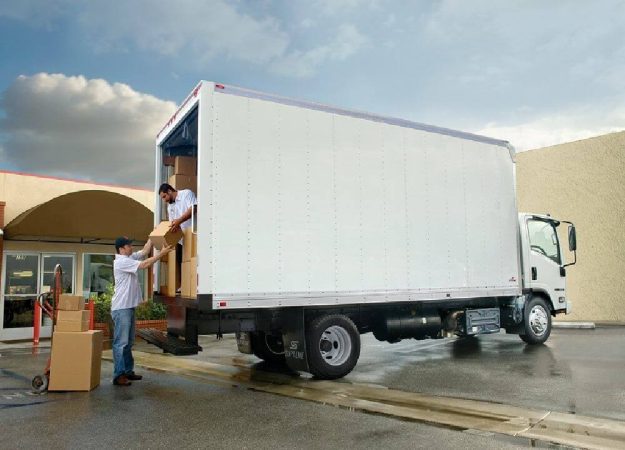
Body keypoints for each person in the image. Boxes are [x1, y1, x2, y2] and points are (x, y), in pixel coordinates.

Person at [111, 236, 172, 386]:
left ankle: (128, 371)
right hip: (122, 308)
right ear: (121, 249)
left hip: (128, 307)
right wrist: (162, 253)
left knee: (128, 342)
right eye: (129, 246)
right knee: (121, 343)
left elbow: (144, 251)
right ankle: (119, 375)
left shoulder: (129, 257)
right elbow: (145, 264)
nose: (131, 248)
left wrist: (152, 236)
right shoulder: (121, 262)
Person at [158, 183, 197, 291]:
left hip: (193, 234)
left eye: (164, 196)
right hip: (182, 238)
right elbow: (173, 223)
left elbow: (193, 209)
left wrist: (179, 221)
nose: (164, 200)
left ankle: (195, 285)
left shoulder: (186, 194)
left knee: (195, 261)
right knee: (181, 261)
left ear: (170, 191)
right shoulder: (170, 206)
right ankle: (184, 285)